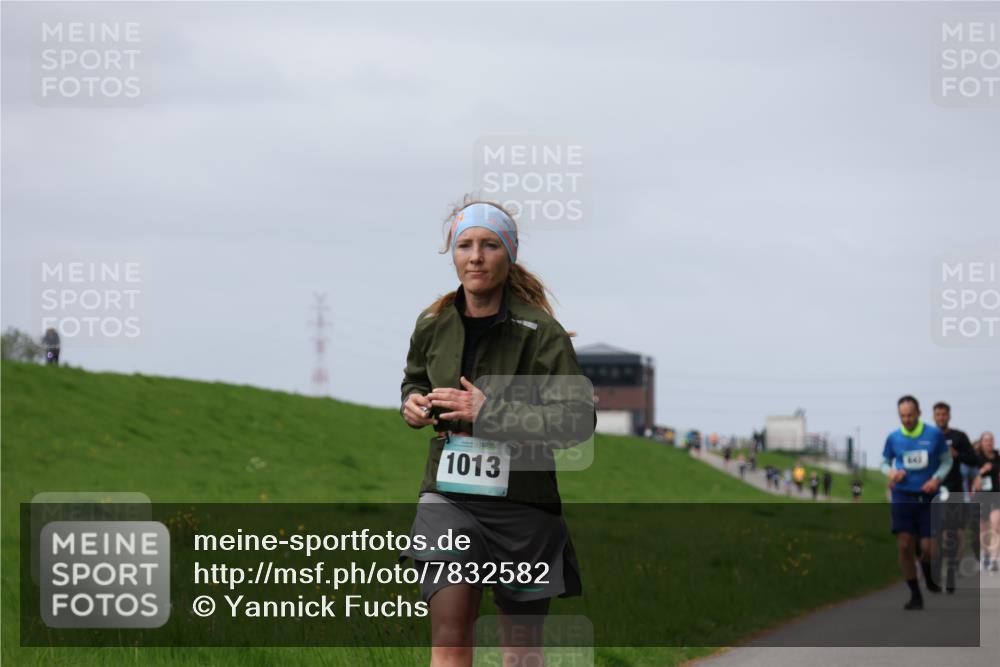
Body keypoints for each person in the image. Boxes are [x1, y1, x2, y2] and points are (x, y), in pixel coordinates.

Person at [398, 199, 592, 667]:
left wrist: (489, 411)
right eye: (465, 245)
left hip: (523, 504)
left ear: (510, 253)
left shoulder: (542, 333)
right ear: (452, 253)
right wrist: (413, 403)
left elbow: (576, 421)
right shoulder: (432, 324)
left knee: (520, 653)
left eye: (489, 245)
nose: (476, 257)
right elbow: (415, 380)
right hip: (449, 498)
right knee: (449, 639)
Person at [881, 395, 951, 609]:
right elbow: (884, 462)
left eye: (910, 415)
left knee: (928, 548)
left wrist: (936, 478)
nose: (907, 420)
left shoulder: (934, 435)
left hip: (928, 497)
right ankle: (915, 594)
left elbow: (946, 461)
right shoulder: (893, 438)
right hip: (902, 496)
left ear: (919, 413)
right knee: (904, 545)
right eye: (902, 416)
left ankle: (927, 571)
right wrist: (892, 473)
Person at [932, 401, 981, 592]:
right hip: (933, 490)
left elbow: (974, 460)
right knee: (935, 535)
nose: (941, 418)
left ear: (949, 416)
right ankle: (936, 573)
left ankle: (951, 573)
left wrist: (957, 455)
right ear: (933, 416)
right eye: (938, 414)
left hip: (954, 490)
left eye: (944, 414)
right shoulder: (929, 437)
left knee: (952, 534)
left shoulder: (959, 437)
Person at [973, 432, 999, 573]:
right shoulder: (976, 458)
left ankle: (994, 560)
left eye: (991, 440)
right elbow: (971, 477)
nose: (989, 442)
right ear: (982, 443)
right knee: (983, 530)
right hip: (981, 497)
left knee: (995, 526)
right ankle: (986, 555)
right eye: (986, 440)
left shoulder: (998, 458)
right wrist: (982, 470)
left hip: (996, 496)